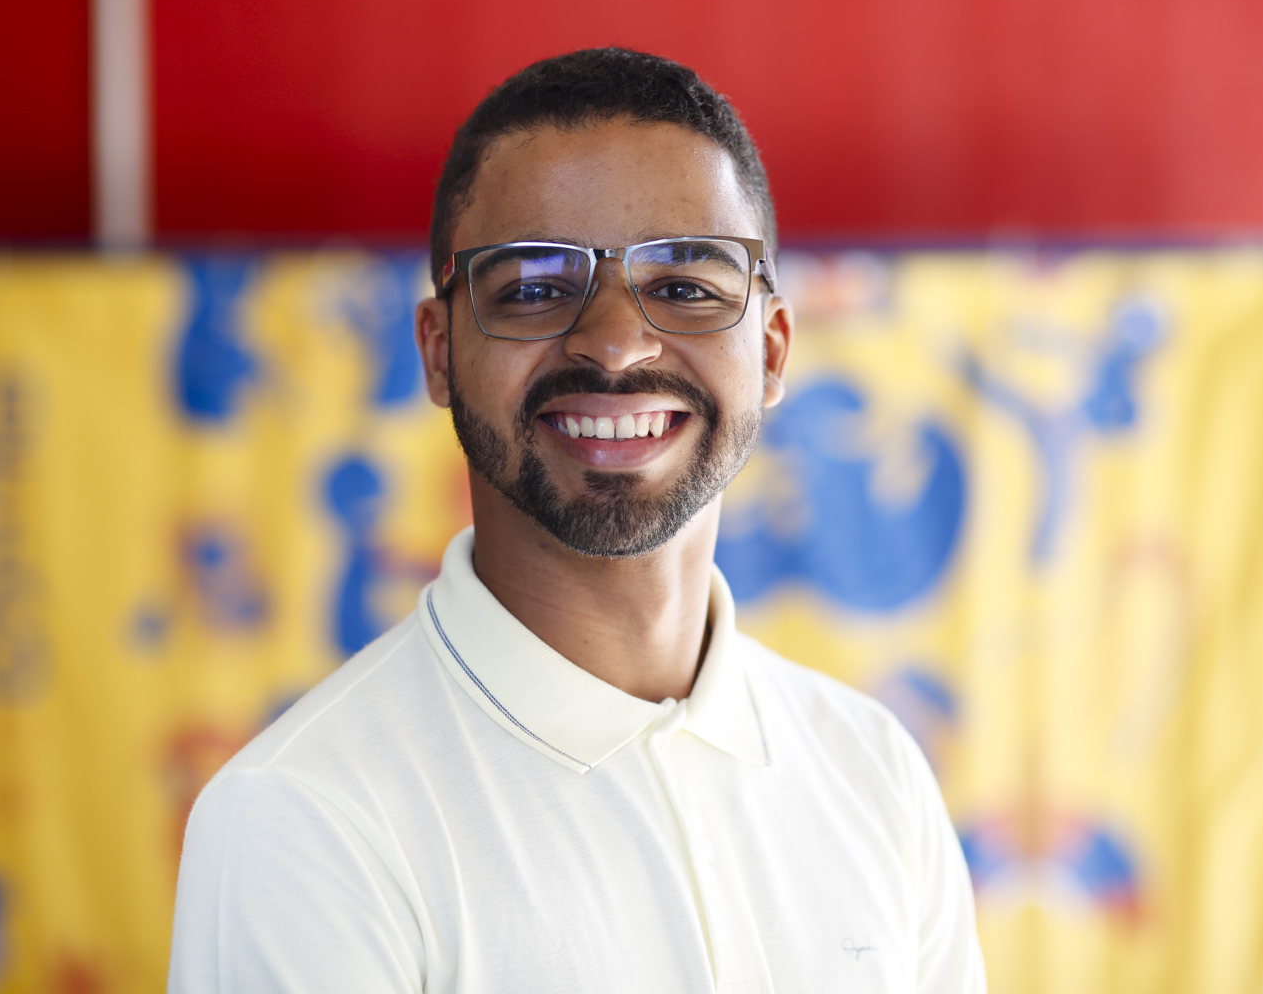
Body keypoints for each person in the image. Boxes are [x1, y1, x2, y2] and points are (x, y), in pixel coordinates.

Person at [168, 48, 986, 993]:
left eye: (684, 285)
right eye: (532, 287)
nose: (615, 343)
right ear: (438, 353)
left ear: (771, 351)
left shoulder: (873, 773)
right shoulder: (308, 819)